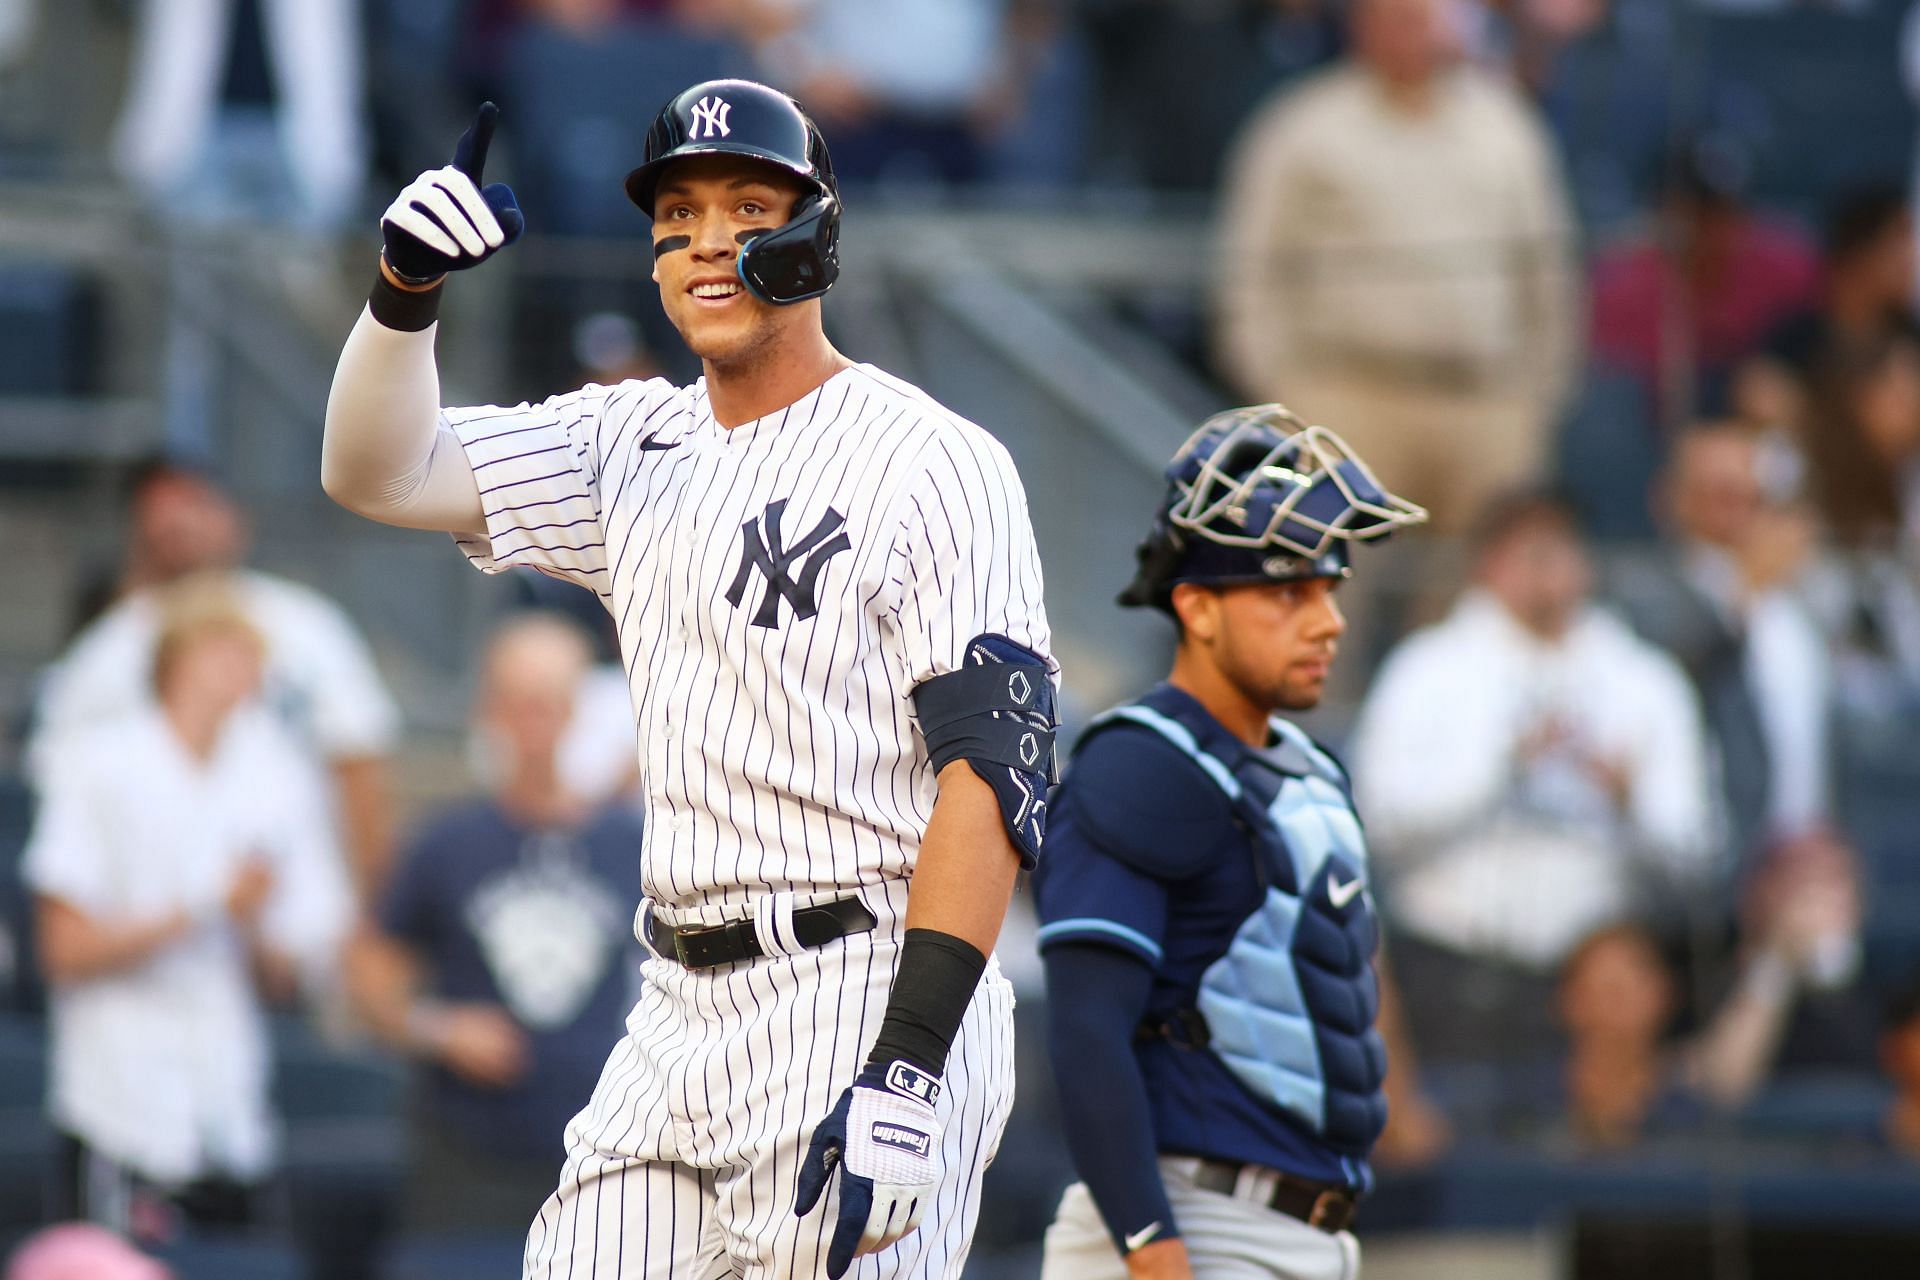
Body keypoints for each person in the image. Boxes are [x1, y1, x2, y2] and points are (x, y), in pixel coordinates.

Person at [320, 82, 1055, 1280]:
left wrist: (912, 1065)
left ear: (816, 230)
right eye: (680, 211)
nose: (708, 238)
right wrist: (403, 295)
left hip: (864, 981)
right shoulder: (628, 442)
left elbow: (997, 772)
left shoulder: (934, 460)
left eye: (747, 203)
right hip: (673, 1001)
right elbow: (377, 470)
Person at [1033, 405, 1427, 1280]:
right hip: (1191, 1225)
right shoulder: (1143, 763)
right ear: (1197, 609)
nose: (1328, 622)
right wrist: (1152, 1249)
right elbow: (1089, 1032)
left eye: (1329, 591)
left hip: (1301, 1230)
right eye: (1289, 593)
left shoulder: (1307, 766)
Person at [22, 576, 351, 1241]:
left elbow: (289, 974)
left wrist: (254, 922)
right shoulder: (97, 766)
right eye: (229, 649)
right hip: (117, 1102)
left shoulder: (274, 773)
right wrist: (205, 905)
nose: (249, 671)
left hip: (229, 1107)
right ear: (180, 658)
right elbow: (62, 950)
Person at [1348, 491, 1716, 1067]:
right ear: (1486, 564)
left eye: (1559, 549)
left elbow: (1699, 854)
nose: (1546, 570)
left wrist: (1630, 800)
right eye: (1526, 552)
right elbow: (1378, 823)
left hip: (1594, 979)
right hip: (1451, 967)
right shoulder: (1426, 669)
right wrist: (1501, 766)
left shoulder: (1645, 681)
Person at [1212, 0, 1579, 533]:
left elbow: (1548, 269)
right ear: (1362, 26)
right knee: (1318, 582)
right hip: (1343, 393)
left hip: (1483, 400)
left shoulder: (1506, 127)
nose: (1409, 35)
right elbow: (1252, 268)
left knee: (1477, 595)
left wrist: (1537, 394)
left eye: (1422, 20)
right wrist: (1278, 390)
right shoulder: (1305, 126)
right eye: (1393, 19)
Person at [347, 614, 646, 1233]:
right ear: (490, 712)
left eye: (548, 704)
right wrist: (437, 1029)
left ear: (575, 711)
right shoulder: (448, 842)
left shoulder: (634, 844)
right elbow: (370, 968)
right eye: (516, 704)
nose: (533, 724)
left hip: (603, 1147)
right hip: (468, 1149)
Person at [32, 458, 400, 898]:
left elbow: (359, 764)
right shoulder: (105, 653)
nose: (180, 525)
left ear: (234, 519)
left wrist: (375, 910)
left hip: (302, 911)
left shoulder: (307, 625)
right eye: (162, 513)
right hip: (152, 919)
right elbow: (63, 792)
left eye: (195, 505)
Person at [1612, 422, 1831, 869]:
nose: (1740, 513)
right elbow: (1676, 665)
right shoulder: (1639, 588)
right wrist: (1744, 592)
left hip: (1800, 861)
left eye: (1754, 498)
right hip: (1708, 856)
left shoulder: (1797, 606)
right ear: (1670, 498)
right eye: (1721, 495)